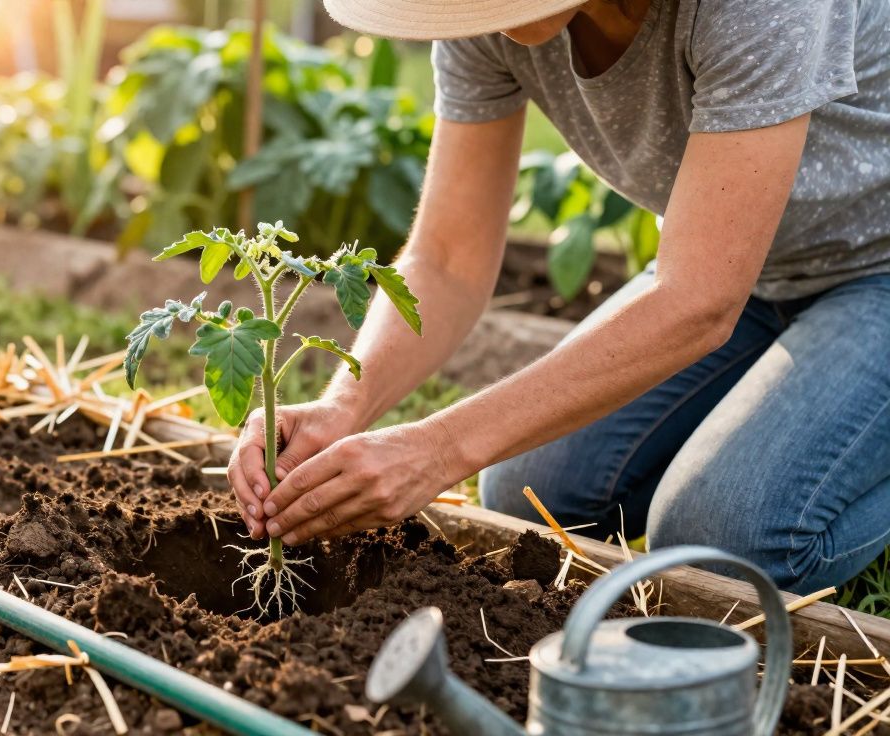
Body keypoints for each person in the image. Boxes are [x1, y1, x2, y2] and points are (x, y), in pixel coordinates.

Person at [228, 0, 890, 594]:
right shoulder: (477, 14)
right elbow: (449, 258)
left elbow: (697, 301)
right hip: (748, 264)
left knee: (717, 543)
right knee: (530, 493)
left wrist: (438, 448)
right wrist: (347, 403)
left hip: (874, 267)